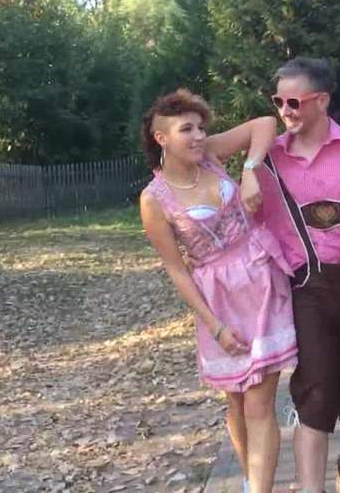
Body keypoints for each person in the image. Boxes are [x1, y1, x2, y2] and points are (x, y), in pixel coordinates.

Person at [139, 89, 297, 493]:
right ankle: (249, 478)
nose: (197, 136)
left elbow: (265, 124)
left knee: (260, 401)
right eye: (186, 129)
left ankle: (259, 488)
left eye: (200, 127)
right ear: (161, 138)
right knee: (237, 401)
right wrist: (214, 326)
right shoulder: (154, 200)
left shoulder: (209, 154)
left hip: (261, 280)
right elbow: (177, 270)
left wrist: (250, 169)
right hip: (219, 301)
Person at [254, 57, 340, 493]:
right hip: (307, 287)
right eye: (278, 101)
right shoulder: (268, 159)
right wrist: (246, 171)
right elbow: (208, 152)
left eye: (294, 101)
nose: (285, 110)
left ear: (323, 100)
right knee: (315, 392)